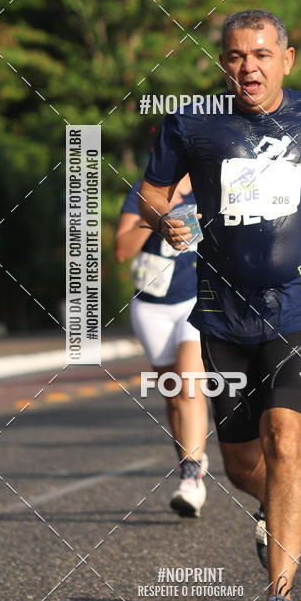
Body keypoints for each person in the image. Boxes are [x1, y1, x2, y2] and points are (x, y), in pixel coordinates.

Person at [138, 9, 301, 601]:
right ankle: (273, 506)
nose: (250, 67)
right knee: (242, 463)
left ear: (286, 59)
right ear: (224, 63)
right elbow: (152, 192)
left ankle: (279, 600)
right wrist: (163, 220)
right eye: (237, 56)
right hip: (222, 310)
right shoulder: (193, 123)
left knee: (286, 441)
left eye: (262, 55)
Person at [115, 174, 209, 516]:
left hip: (195, 300)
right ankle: (191, 455)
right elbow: (121, 251)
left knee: (189, 386)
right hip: (151, 304)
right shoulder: (141, 193)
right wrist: (155, 218)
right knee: (173, 394)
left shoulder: (209, 182)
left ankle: (191, 477)